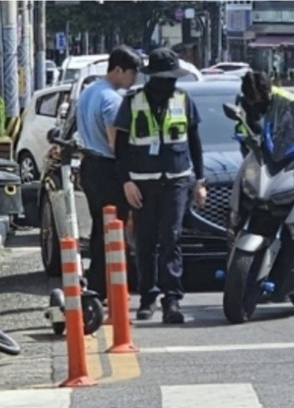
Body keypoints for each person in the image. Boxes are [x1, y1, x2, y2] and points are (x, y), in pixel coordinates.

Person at [114, 48, 207, 324]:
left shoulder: (183, 99)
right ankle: (147, 297)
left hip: (176, 181)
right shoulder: (133, 102)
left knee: (171, 237)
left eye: (172, 78)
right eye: (164, 78)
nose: (169, 83)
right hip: (142, 183)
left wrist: (199, 181)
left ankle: (172, 300)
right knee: (145, 242)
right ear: (152, 77)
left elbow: (195, 143)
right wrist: (126, 182)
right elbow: (119, 148)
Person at [77, 45, 142, 301]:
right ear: (117, 70)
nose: (134, 79)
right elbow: (118, 145)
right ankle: (109, 286)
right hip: (108, 168)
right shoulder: (112, 100)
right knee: (113, 230)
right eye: (132, 73)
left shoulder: (88, 92)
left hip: (90, 165)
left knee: (99, 228)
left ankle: (98, 284)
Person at [234, 71, 294, 157]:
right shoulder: (243, 102)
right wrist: (246, 139)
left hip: (286, 153)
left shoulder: (289, 101)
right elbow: (241, 125)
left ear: (269, 91)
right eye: (253, 101)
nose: (258, 104)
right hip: (255, 153)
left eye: (261, 99)